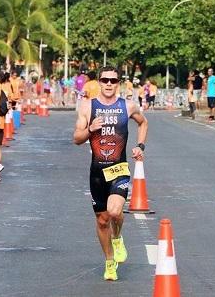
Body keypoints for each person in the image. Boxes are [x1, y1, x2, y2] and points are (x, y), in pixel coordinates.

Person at [73, 66, 148, 281]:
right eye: (105, 80)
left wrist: (140, 146)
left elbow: (143, 123)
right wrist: (90, 129)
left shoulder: (128, 105)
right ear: (99, 81)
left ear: (118, 83)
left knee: (115, 212)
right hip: (97, 172)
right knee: (102, 220)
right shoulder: (88, 106)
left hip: (119, 169)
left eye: (113, 81)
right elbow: (77, 138)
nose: (108, 84)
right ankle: (109, 261)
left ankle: (118, 238)